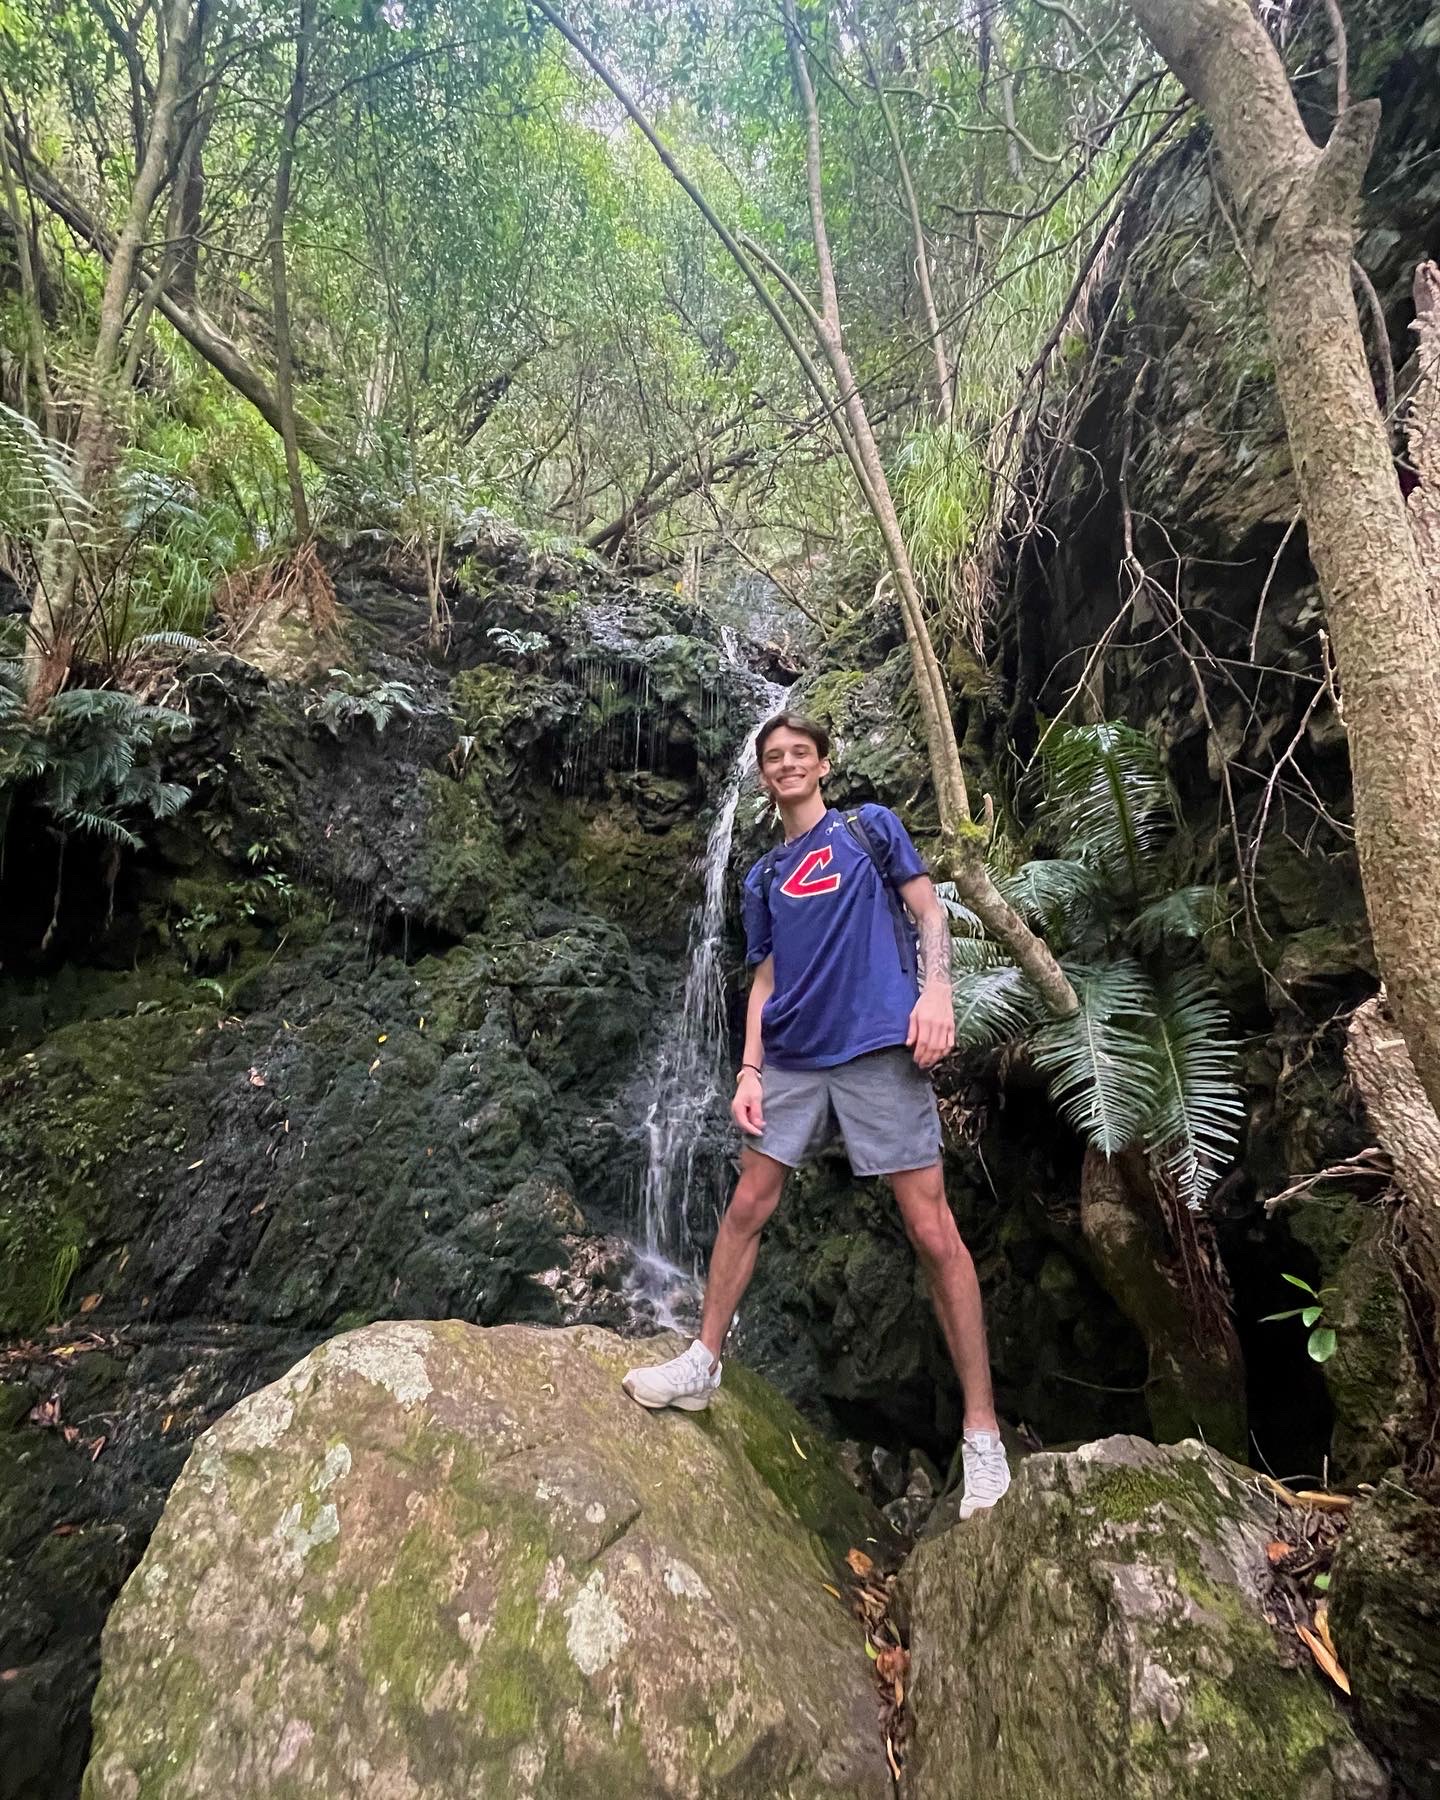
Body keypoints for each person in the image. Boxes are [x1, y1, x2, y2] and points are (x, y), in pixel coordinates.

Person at [623, 711, 1011, 1518]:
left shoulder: (870, 830)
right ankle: (702, 1361)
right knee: (747, 1206)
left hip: (878, 1046)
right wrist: (748, 1068)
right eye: (774, 757)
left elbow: (928, 909)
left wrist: (937, 991)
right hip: (793, 1060)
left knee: (932, 1229)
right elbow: (763, 983)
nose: (787, 764)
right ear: (762, 778)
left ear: (824, 765)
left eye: (800, 753)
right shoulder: (762, 879)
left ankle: (982, 1434)